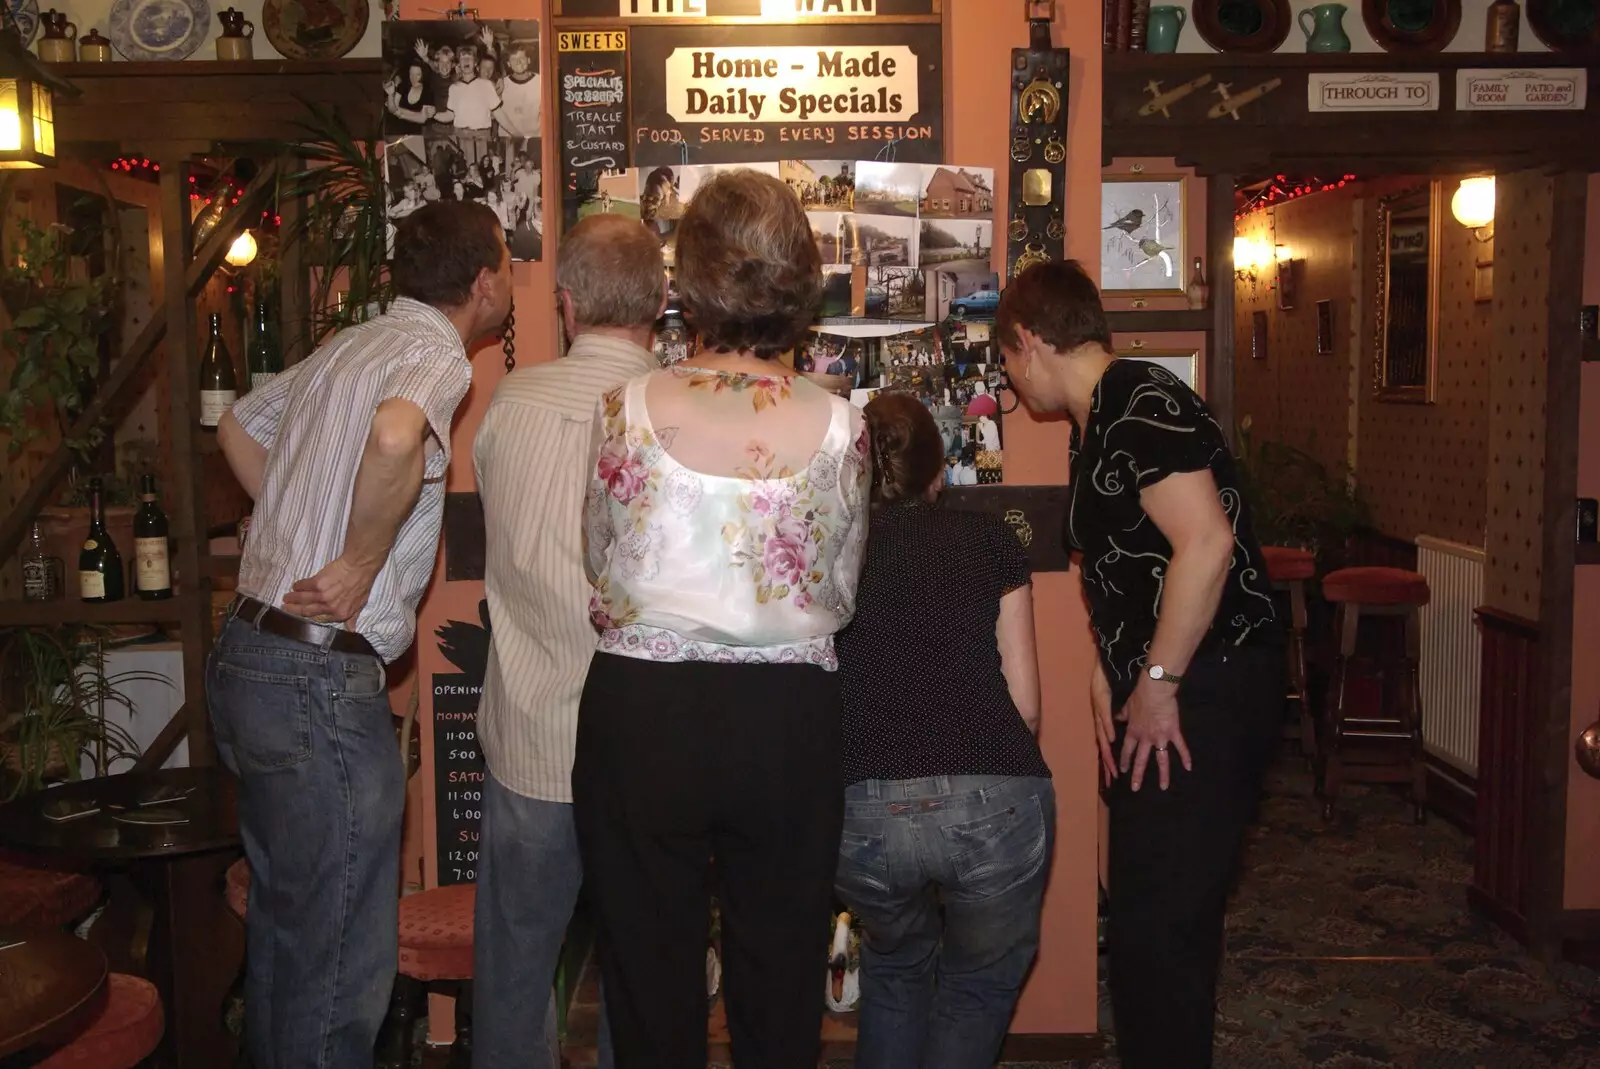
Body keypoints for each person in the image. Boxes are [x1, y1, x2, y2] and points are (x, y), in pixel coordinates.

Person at [574, 169, 870, 1069]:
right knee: (779, 974)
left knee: (647, 966)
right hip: (785, 722)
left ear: (687, 279)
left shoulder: (623, 407)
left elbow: (600, 567)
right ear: (801, 278)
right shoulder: (841, 424)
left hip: (644, 712)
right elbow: (844, 590)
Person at [209, 200, 512, 1069]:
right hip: (311, 683)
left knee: (288, 937)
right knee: (340, 963)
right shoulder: (433, 354)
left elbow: (233, 423)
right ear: (486, 282)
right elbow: (392, 436)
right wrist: (355, 558)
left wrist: (301, 525)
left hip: (251, 657)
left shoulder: (350, 344)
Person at [995, 260, 1282, 1069]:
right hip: (1170, 680)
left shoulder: (1139, 397)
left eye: (1008, 362)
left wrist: (1156, 682)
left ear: (1028, 339)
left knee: (1164, 926)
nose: (1013, 382)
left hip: (1207, 684)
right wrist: (1106, 664)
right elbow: (1128, 561)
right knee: (1148, 919)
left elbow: (1207, 542)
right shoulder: (1101, 417)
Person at [470, 214, 666, 1069]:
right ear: (661, 301)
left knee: (515, 968)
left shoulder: (508, 404)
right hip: (645, 742)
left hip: (529, 731)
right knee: (641, 970)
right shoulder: (676, 411)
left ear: (566, 302)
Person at [833, 392, 1053, 1069]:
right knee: (977, 986)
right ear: (940, 473)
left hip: (859, 807)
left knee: (895, 970)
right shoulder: (989, 537)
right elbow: (1028, 703)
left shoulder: (826, 557)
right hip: (992, 795)